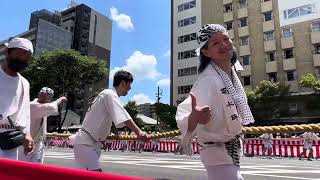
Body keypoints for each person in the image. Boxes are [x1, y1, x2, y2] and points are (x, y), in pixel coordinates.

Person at [176, 24, 254, 180]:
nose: (224, 45)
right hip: (215, 149)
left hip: (230, 148)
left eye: (226, 39)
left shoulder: (230, 73)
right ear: (205, 51)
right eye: (215, 43)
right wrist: (196, 118)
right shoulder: (208, 79)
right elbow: (187, 112)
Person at [73, 70, 149, 172]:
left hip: (90, 143)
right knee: (96, 175)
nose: (130, 88)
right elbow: (123, 115)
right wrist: (138, 132)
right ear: (122, 83)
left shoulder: (107, 95)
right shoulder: (109, 94)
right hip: (86, 143)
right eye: (129, 85)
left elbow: (113, 120)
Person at [0, 37, 34, 159]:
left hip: (10, 142)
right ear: (6, 51)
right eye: (19, 54)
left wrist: (28, 134)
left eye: (27, 57)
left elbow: (25, 112)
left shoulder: (24, 83)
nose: (23, 59)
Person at [18, 87, 67, 163]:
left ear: (50, 99)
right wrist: (61, 99)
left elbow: (54, 111)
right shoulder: (31, 105)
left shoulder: (45, 108)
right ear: (38, 95)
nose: (44, 99)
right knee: (22, 168)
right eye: (42, 96)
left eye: (47, 97)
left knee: (37, 169)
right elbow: (51, 107)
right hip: (26, 143)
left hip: (39, 143)